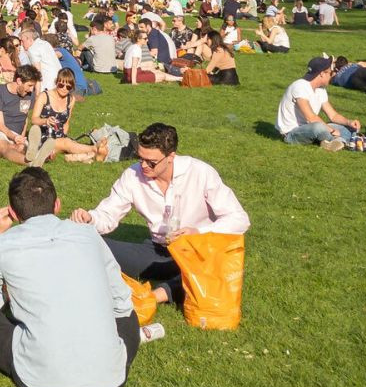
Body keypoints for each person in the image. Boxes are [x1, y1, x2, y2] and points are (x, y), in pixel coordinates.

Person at [0, 167, 139, 387]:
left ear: (13, 214)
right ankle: (103, 352)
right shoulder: (88, 235)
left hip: (40, 378)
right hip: (111, 375)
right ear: (57, 205)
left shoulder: (2, 245)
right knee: (126, 312)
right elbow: (121, 301)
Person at [72, 123, 250, 309]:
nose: (144, 166)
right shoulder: (133, 175)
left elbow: (239, 219)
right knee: (91, 244)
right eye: (140, 158)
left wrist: (197, 232)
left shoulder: (200, 172)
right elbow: (108, 214)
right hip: (157, 252)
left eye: (151, 162)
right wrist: (90, 219)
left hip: (197, 252)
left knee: (213, 265)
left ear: (171, 157)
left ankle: (154, 296)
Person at [275, 56, 360, 151]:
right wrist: (331, 130)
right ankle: (340, 141)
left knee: (347, 127)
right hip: (291, 133)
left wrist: (349, 122)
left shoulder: (321, 90)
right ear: (322, 74)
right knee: (318, 127)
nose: (333, 75)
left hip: (308, 127)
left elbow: (333, 115)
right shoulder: (299, 86)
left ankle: (333, 141)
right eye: (331, 72)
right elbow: (311, 118)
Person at [24, 68, 107, 165]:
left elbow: (66, 123)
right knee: (66, 143)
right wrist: (45, 121)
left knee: (66, 142)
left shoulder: (71, 99)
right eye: (61, 85)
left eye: (68, 87)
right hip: (43, 136)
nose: (64, 89)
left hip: (59, 136)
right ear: (56, 82)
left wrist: (63, 136)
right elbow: (34, 120)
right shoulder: (44, 96)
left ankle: (87, 154)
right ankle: (94, 149)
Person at [0, 65, 41, 164]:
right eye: (30, 85)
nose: (31, 90)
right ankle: (31, 163)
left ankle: (40, 154)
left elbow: (24, 118)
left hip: (15, 136)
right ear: (19, 81)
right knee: (5, 147)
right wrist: (14, 137)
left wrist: (21, 137)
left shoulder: (29, 95)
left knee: (21, 147)